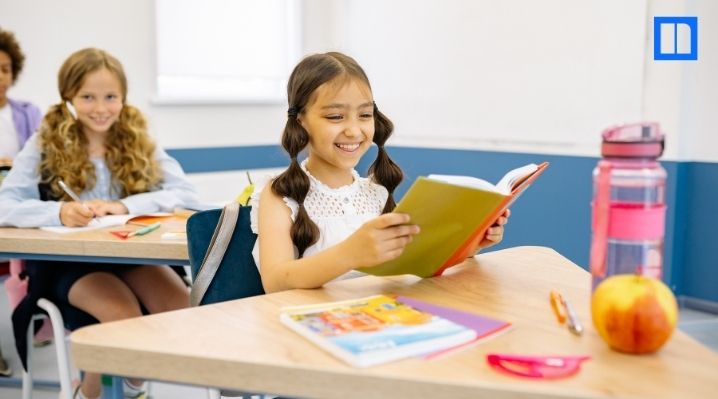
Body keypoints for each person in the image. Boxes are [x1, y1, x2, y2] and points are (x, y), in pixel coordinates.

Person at [0, 48, 198, 399]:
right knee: (122, 315)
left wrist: (121, 204)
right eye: (87, 97)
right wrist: (58, 213)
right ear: (69, 98)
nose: (101, 108)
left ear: (123, 98)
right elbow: (5, 205)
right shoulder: (46, 140)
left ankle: (131, 386)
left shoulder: (137, 138)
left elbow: (184, 192)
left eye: (111, 97)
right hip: (70, 263)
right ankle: (90, 394)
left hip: (129, 255)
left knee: (182, 307)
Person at [252, 52, 509, 293]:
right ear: (300, 121)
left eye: (365, 114)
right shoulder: (280, 196)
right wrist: (349, 253)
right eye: (335, 117)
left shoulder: (376, 192)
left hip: (376, 318)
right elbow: (275, 282)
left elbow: (412, 265)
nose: (354, 130)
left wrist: (470, 244)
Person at [0, 26, 43, 378]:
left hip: (21, 201)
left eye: (4, 69)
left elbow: (44, 160)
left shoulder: (28, 112)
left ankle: (36, 310)